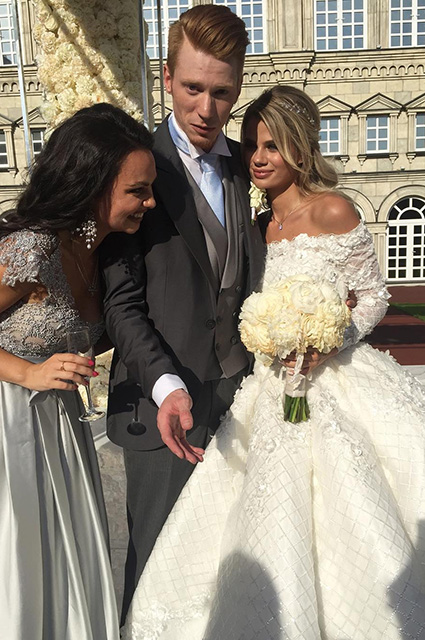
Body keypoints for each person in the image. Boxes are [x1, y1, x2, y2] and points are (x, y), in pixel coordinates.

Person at [121, 86, 425, 640]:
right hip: (268, 388)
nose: (258, 158)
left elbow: (373, 295)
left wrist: (333, 339)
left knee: (344, 509)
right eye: (251, 146)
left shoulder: (333, 209)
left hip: (335, 382)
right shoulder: (257, 225)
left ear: (300, 149)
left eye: (273, 146)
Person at [100, 4, 264, 623]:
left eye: (222, 93)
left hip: (239, 399)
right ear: (166, 77)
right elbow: (121, 302)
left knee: (226, 566)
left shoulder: (246, 165)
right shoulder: (135, 166)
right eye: (193, 88)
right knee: (157, 573)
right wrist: (166, 383)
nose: (205, 109)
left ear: (238, 89)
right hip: (160, 406)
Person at [0, 102, 156, 640]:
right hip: (11, 427)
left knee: (68, 557)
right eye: (138, 190)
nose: (150, 202)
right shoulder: (31, 249)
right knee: (23, 557)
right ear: (95, 186)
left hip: (63, 429)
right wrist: (27, 373)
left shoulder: (105, 254)